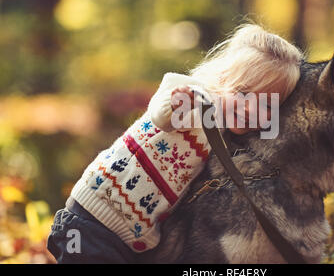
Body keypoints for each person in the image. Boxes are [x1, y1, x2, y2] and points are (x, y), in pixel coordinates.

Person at [47, 24, 303, 263]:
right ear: (223, 79)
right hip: (93, 219)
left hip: (130, 240)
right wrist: (178, 102)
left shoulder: (231, 138)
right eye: (243, 93)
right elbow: (162, 115)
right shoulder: (192, 95)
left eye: (267, 104)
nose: (250, 108)